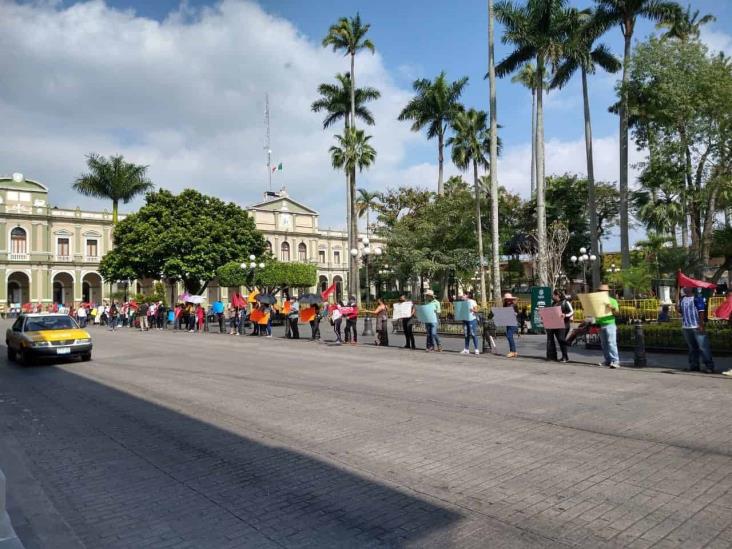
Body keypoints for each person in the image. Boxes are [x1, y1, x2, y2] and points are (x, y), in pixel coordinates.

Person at [678, 286, 715, 373]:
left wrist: (701, 325)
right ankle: (694, 365)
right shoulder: (682, 299)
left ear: (691, 288)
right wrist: (678, 309)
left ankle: (709, 366)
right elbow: (682, 311)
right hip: (686, 327)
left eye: (686, 287)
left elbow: (701, 311)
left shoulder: (697, 298)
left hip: (696, 326)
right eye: (683, 287)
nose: (684, 288)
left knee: (703, 347)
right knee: (692, 348)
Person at [596, 284, 620, 369]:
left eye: (602, 291)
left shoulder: (612, 301)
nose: (600, 293)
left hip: (610, 324)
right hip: (601, 324)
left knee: (611, 343)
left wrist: (612, 308)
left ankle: (615, 361)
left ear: (607, 292)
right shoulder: (597, 302)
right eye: (599, 291)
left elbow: (617, 313)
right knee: (604, 344)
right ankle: (608, 360)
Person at [546, 290, 569, 362]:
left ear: (557, 295)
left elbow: (571, 311)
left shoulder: (565, 302)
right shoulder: (553, 303)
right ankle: (564, 356)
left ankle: (565, 357)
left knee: (562, 339)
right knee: (560, 340)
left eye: (553, 295)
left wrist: (565, 315)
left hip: (564, 324)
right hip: (556, 325)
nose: (552, 296)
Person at [502, 293, 518, 358]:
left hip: (513, 322)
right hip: (508, 322)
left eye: (509, 299)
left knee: (509, 336)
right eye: (507, 299)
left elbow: (517, 313)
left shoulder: (513, 305)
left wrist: (514, 313)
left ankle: (513, 351)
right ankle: (513, 351)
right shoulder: (506, 305)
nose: (508, 300)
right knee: (509, 336)